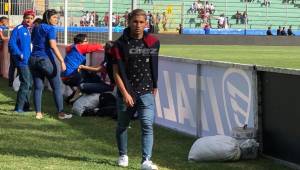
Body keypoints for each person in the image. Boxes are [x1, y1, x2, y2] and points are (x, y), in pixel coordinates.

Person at [111, 9, 160, 170]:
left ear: (146, 23)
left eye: (141, 22)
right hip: (126, 93)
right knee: (122, 125)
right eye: (135, 22)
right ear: (129, 22)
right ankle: (123, 154)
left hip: (146, 92)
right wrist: (125, 93)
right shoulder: (119, 45)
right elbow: (116, 72)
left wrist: (155, 86)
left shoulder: (153, 42)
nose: (138, 25)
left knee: (147, 125)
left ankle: (146, 160)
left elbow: (153, 64)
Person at [30, 9, 72, 120]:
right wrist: (62, 61)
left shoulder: (36, 27)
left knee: (38, 87)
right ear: (48, 18)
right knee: (57, 87)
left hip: (33, 59)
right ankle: (61, 113)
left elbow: (33, 40)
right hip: (45, 60)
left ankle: (38, 113)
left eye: (57, 18)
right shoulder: (50, 28)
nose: (56, 20)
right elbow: (53, 46)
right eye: (54, 18)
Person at [60, 33, 105, 102]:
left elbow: (68, 48)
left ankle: (73, 97)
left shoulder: (72, 47)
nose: (88, 43)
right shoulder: (80, 47)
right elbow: (97, 46)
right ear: (80, 43)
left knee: (88, 75)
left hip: (65, 77)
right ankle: (76, 99)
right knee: (95, 80)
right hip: (72, 76)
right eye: (86, 41)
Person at [8, 10, 35, 112]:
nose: (29, 20)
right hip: (22, 61)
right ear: (23, 18)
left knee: (30, 83)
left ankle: (26, 106)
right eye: (27, 18)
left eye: (31, 18)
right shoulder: (18, 29)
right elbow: (11, 43)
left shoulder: (32, 30)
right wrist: (20, 54)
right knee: (25, 83)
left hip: (31, 61)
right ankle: (18, 108)